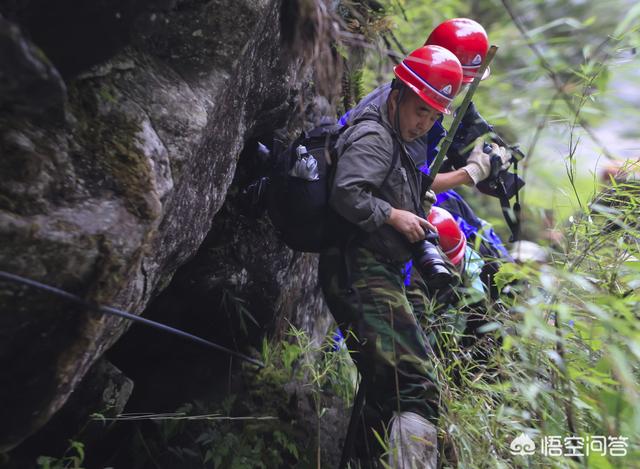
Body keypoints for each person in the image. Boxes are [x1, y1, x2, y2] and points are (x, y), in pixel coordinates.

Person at [319, 44, 465, 469]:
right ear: (399, 93)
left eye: (435, 115)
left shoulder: (396, 115)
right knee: (414, 383)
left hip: (372, 265)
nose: (425, 123)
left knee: (387, 390)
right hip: (358, 267)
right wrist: (395, 215)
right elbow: (346, 192)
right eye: (420, 110)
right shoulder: (376, 137)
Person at [340, 18, 513, 265]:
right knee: (470, 237)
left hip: (391, 192)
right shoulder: (405, 114)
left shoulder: (409, 99)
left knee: (472, 221)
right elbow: (410, 185)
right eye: (462, 81)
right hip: (377, 209)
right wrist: (470, 173)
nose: (459, 89)